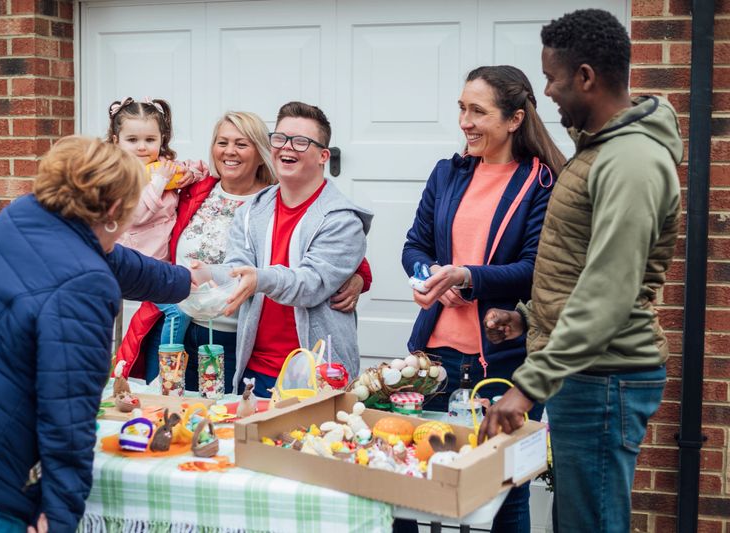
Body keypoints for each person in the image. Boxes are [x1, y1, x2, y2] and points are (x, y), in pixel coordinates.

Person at [479, 9, 683, 533]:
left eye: (551, 77)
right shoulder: (600, 152)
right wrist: (529, 317)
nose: (545, 91)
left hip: (605, 377)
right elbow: (580, 265)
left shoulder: (631, 161)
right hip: (585, 372)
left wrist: (526, 387)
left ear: (586, 77)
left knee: (590, 523)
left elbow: (610, 292)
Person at [0, 137, 196, 532]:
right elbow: (68, 414)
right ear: (109, 212)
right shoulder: (84, 284)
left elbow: (110, 258)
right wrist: (59, 515)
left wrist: (186, 280)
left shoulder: (24, 216)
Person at [399, 65, 564, 533]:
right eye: (461, 108)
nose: (465, 121)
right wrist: (431, 275)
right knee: (418, 478)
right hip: (434, 358)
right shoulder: (447, 173)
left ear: (514, 119)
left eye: (477, 111)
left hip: (504, 363)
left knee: (505, 489)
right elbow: (414, 246)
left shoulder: (542, 182)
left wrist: (468, 276)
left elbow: (537, 269)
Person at [115, 110, 372, 393]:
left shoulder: (288, 198)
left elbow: (324, 259)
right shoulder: (194, 191)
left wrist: (359, 273)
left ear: (260, 152)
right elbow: (140, 222)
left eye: (241, 143)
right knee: (180, 414)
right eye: (222, 142)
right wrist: (198, 272)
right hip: (186, 325)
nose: (229, 152)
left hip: (241, 338)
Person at [218, 101, 373, 397]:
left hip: (321, 376)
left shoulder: (343, 221)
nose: (287, 147)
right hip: (256, 371)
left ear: (323, 156)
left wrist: (258, 279)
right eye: (281, 138)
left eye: (301, 142)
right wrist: (205, 275)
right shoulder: (251, 211)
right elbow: (236, 265)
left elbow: (310, 284)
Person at [108, 96, 206, 352]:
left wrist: (188, 175)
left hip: (163, 265)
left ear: (162, 140)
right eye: (132, 140)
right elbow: (136, 215)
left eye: (150, 140)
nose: (142, 147)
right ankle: (168, 371)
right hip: (134, 267)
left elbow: (202, 168)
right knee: (179, 312)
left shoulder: (162, 168)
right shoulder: (117, 176)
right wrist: (159, 183)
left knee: (188, 305)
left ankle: (152, 365)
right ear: (116, 141)